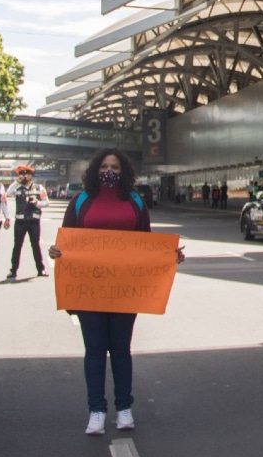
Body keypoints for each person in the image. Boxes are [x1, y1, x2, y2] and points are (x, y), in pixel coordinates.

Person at [49, 148, 183, 435]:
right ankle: (96, 410)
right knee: (95, 351)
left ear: (124, 172)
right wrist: (57, 252)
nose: (110, 171)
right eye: (105, 166)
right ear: (96, 169)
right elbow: (67, 238)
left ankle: (124, 409)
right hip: (89, 289)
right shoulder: (81, 199)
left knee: (121, 350)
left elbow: (146, 244)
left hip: (124, 290)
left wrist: (169, 256)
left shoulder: (135, 200)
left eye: (116, 167)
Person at [7, 165, 49, 280]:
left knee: (36, 245)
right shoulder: (17, 188)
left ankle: (41, 269)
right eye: (21, 174)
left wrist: (37, 203)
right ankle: (13, 270)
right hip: (20, 222)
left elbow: (46, 202)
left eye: (26, 174)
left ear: (30, 176)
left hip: (33, 222)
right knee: (17, 246)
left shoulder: (39, 188)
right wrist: (16, 182)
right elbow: (8, 193)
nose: (24, 177)